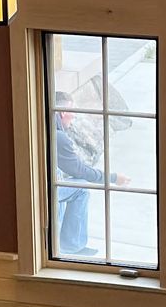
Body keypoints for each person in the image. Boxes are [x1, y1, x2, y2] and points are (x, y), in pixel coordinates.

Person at [52, 91, 128, 257]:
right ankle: (72, 246)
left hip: (40, 187)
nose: (75, 116)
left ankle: (62, 243)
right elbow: (81, 170)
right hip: (42, 192)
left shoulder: (47, 127)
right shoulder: (57, 137)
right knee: (81, 189)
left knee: (68, 184)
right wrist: (113, 178)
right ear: (63, 112)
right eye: (73, 111)